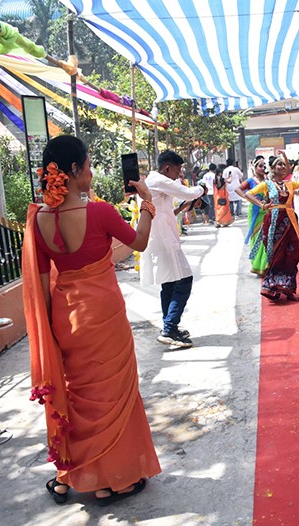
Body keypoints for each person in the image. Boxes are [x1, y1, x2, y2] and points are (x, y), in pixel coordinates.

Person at [22, 135, 160, 505]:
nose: (92, 171)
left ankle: (77, 474)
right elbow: (140, 243)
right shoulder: (100, 212)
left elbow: (38, 284)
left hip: (66, 318)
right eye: (87, 165)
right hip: (104, 315)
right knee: (111, 396)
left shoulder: (39, 220)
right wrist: (146, 202)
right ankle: (110, 480)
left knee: (80, 396)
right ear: (73, 171)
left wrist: (52, 333)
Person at [140, 150, 206, 348]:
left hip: (161, 238)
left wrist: (180, 208)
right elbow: (189, 192)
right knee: (184, 280)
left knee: (168, 283)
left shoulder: (155, 181)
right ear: (167, 168)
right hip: (164, 240)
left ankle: (169, 327)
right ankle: (169, 327)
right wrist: (202, 187)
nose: (179, 176)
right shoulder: (158, 179)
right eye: (177, 171)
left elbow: (165, 209)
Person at [244, 151, 299, 302]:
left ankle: (288, 289)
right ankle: (272, 288)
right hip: (273, 222)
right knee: (275, 255)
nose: (282, 167)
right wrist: (262, 205)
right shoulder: (266, 184)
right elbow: (249, 194)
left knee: (292, 255)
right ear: (272, 169)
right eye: (278, 164)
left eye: (283, 164)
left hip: (289, 222)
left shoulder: (289, 184)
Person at [237, 156, 270, 275]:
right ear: (255, 168)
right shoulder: (251, 181)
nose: (262, 168)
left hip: (267, 209)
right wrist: (248, 198)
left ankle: (264, 264)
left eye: (264, 166)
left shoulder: (268, 180)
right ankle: (256, 263)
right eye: (260, 166)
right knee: (256, 237)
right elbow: (238, 189)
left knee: (266, 235)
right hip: (255, 211)